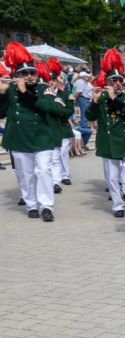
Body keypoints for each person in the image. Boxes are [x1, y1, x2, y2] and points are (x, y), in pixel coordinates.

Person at [0, 41, 69, 222]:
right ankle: (31, 204)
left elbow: (49, 107)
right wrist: (1, 94)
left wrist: (24, 92)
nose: (30, 76)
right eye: (25, 74)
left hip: (42, 137)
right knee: (26, 174)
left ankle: (46, 205)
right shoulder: (10, 90)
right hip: (19, 138)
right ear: (17, 75)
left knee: (43, 171)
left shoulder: (43, 88)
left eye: (32, 73)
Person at [87, 48, 125, 218]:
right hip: (109, 139)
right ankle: (118, 205)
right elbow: (90, 116)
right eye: (114, 80)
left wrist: (114, 99)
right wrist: (94, 102)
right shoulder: (101, 97)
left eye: (120, 80)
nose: (118, 83)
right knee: (112, 176)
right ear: (107, 82)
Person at [46, 59, 75, 188]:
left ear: (57, 81)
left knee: (62, 153)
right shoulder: (45, 94)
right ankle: (55, 180)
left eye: (53, 80)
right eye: (49, 80)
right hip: (49, 128)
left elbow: (69, 111)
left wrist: (59, 109)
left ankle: (65, 175)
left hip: (62, 127)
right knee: (53, 156)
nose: (51, 83)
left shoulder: (66, 94)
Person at [73, 70, 93, 148]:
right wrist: (73, 99)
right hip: (83, 99)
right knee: (84, 116)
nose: (87, 77)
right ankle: (84, 128)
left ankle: (84, 128)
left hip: (85, 99)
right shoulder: (80, 81)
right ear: (83, 76)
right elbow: (78, 92)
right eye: (86, 76)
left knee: (85, 116)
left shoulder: (83, 82)